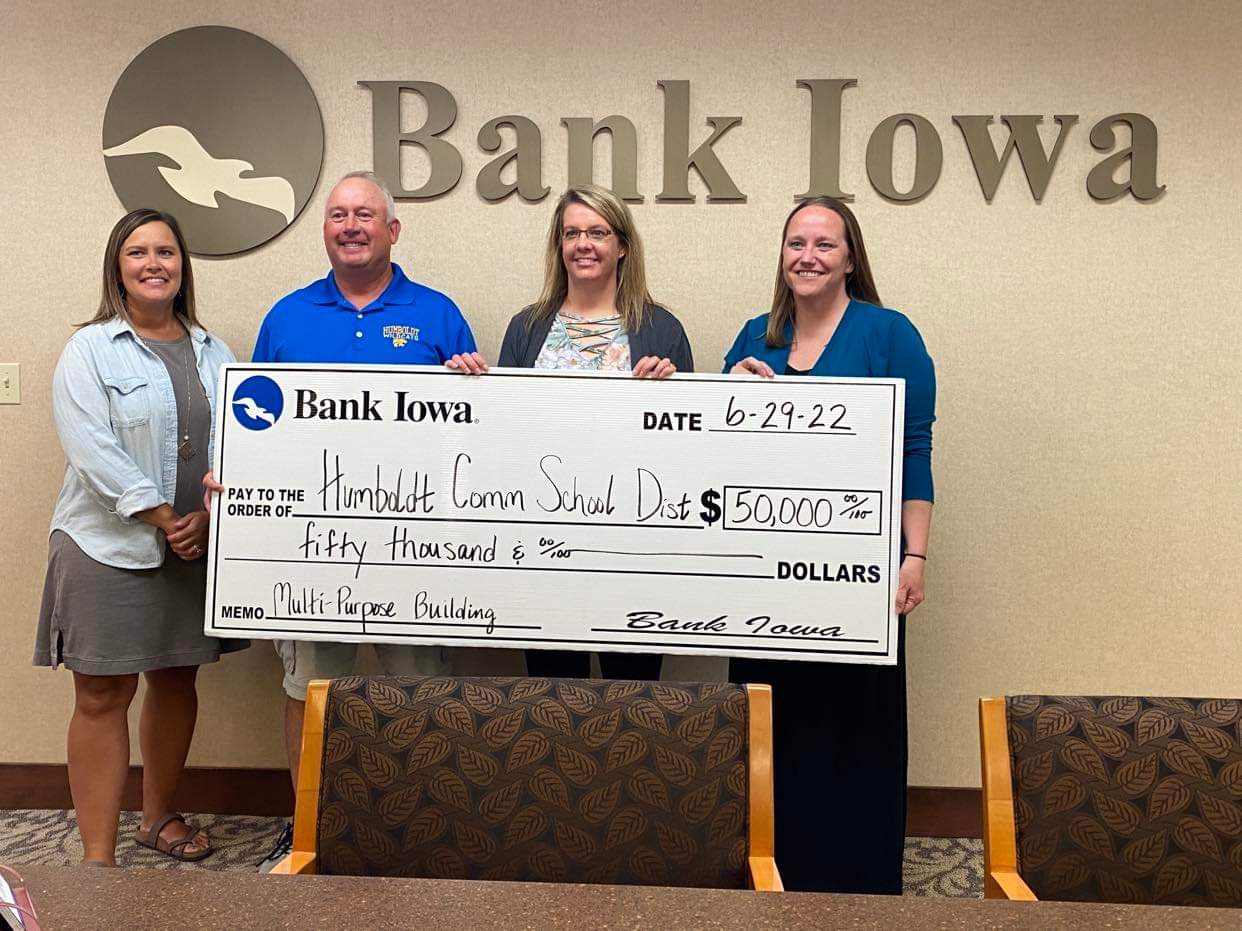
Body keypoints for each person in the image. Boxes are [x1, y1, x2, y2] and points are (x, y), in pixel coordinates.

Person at [209, 171, 485, 871]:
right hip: (311, 550)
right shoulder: (287, 316)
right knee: (310, 689)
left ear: (394, 230)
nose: (352, 225)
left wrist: (479, 387)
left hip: (415, 547)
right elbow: (255, 424)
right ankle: (308, 828)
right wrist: (232, 475)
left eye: (366, 214)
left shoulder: (437, 313)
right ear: (325, 230)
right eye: (339, 215)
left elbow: (478, 433)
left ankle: (424, 829)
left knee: (420, 686)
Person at [724, 196, 935, 894]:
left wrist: (914, 555)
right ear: (781, 255)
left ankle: (859, 885)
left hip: (858, 577)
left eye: (824, 243)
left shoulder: (889, 334)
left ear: (850, 258)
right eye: (796, 243)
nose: (807, 256)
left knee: (854, 733)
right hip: (763, 577)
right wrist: (731, 395)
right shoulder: (755, 337)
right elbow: (719, 450)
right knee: (774, 729)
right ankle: (771, 876)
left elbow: (915, 450)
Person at [33, 209, 245, 866]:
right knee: (102, 694)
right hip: (106, 546)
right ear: (117, 267)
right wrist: (161, 516)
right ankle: (99, 858)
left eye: (166, 252)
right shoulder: (90, 350)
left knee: (177, 679)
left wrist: (206, 518)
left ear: (184, 266)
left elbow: (237, 445)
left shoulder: (218, 354)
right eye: (137, 252)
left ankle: (158, 818)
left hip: (194, 545)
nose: (154, 263)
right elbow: (92, 449)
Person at [492, 184, 693, 681]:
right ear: (559, 246)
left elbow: (689, 446)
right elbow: (500, 433)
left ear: (622, 245)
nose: (584, 243)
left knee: (633, 697)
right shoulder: (527, 328)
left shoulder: (662, 329)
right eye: (572, 233)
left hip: (633, 550)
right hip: (543, 549)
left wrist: (668, 397)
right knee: (553, 698)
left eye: (598, 232)